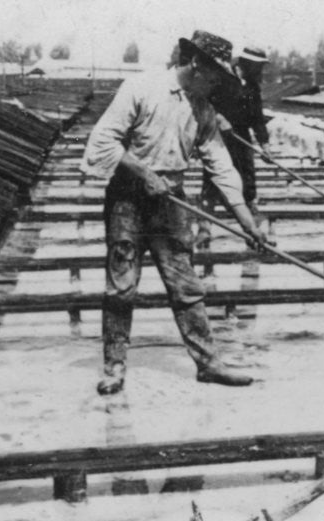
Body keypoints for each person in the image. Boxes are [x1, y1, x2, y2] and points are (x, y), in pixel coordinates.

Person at [81, 30, 272, 395]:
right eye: (215, 75)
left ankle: (208, 363)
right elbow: (103, 142)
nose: (218, 84)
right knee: (122, 286)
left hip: (171, 201)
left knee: (186, 286)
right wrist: (145, 174)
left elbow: (222, 167)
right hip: (127, 199)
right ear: (196, 64)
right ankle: (114, 366)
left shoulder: (202, 109)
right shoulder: (141, 88)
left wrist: (248, 224)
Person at [200, 43, 271, 215]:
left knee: (247, 174)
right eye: (258, 65)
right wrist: (219, 118)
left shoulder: (253, 86)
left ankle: (250, 213)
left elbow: (257, 117)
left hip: (241, 136)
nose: (260, 69)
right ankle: (206, 219)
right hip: (218, 136)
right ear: (246, 62)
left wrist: (265, 144)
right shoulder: (222, 77)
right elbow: (204, 102)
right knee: (214, 175)